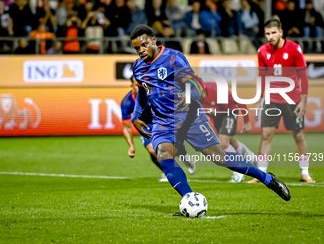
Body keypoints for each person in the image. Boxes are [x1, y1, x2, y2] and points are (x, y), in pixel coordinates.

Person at [130, 25, 291, 215]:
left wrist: (189, 94)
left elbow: (197, 85)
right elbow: (142, 91)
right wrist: (135, 116)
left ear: (154, 41)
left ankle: (266, 178)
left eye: (144, 45)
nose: (141, 50)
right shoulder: (138, 67)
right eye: (137, 48)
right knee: (164, 156)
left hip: (189, 117)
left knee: (220, 158)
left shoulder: (173, 58)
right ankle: (189, 200)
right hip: (163, 121)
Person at [249, 19, 315, 184]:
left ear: (281, 32)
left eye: (273, 33)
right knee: (265, 135)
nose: (270, 36)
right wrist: (258, 101)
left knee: (298, 135)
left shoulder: (294, 49)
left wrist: (304, 101)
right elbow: (262, 78)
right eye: (267, 34)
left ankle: (305, 172)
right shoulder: (262, 51)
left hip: (292, 99)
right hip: (272, 99)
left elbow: (303, 76)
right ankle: (261, 174)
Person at [121, 76, 196, 182]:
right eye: (137, 84)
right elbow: (126, 127)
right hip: (145, 124)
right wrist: (131, 146)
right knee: (152, 149)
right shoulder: (127, 102)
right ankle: (169, 171)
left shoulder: (155, 93)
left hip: (162, 119)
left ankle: (181, 154)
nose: (140, 86)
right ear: (132, 85)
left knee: (165, 147)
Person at [200, 81, 257, 183]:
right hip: (217, 115)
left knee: (223, 143)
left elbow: (239, 101)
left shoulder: (216, 91)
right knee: (232, 143)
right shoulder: (191, 97)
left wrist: (246, 122)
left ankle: (238, 173)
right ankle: (253, 160)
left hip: (230, 111)